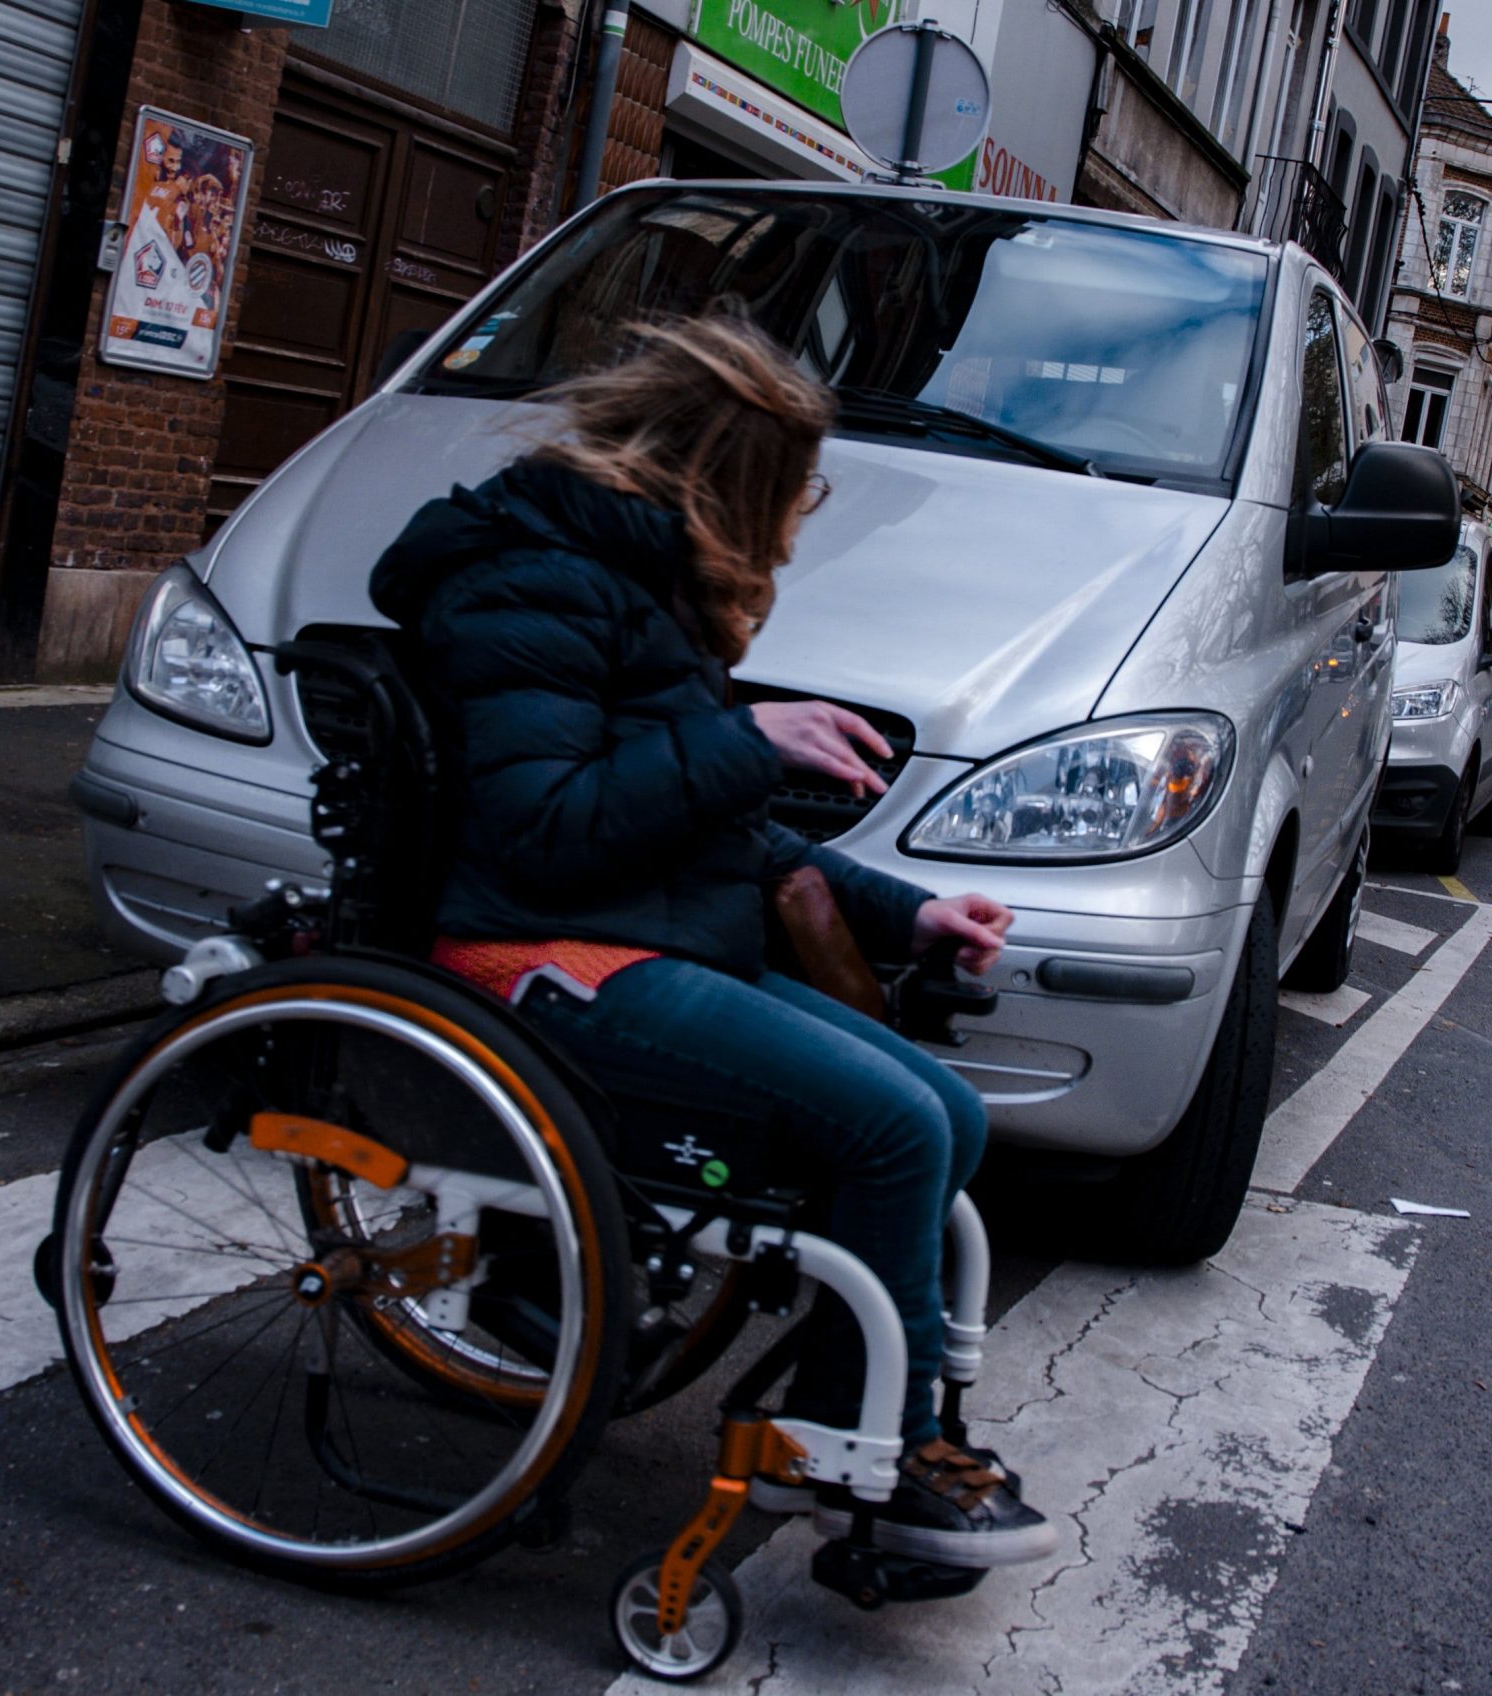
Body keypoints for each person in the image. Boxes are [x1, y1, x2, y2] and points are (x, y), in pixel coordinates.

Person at [368, 313, 1053, 1568]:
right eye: (801, 486)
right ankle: (872, 1454)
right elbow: (542, 831)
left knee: (943, 1111)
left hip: (631, 934)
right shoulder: (534, 581)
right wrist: (751, 740)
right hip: (537, 953)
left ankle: (837, 1424)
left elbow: (717, 831)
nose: (803, 516)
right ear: (736, 480)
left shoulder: (631, 587)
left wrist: (911, 913)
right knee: (895, 1125)